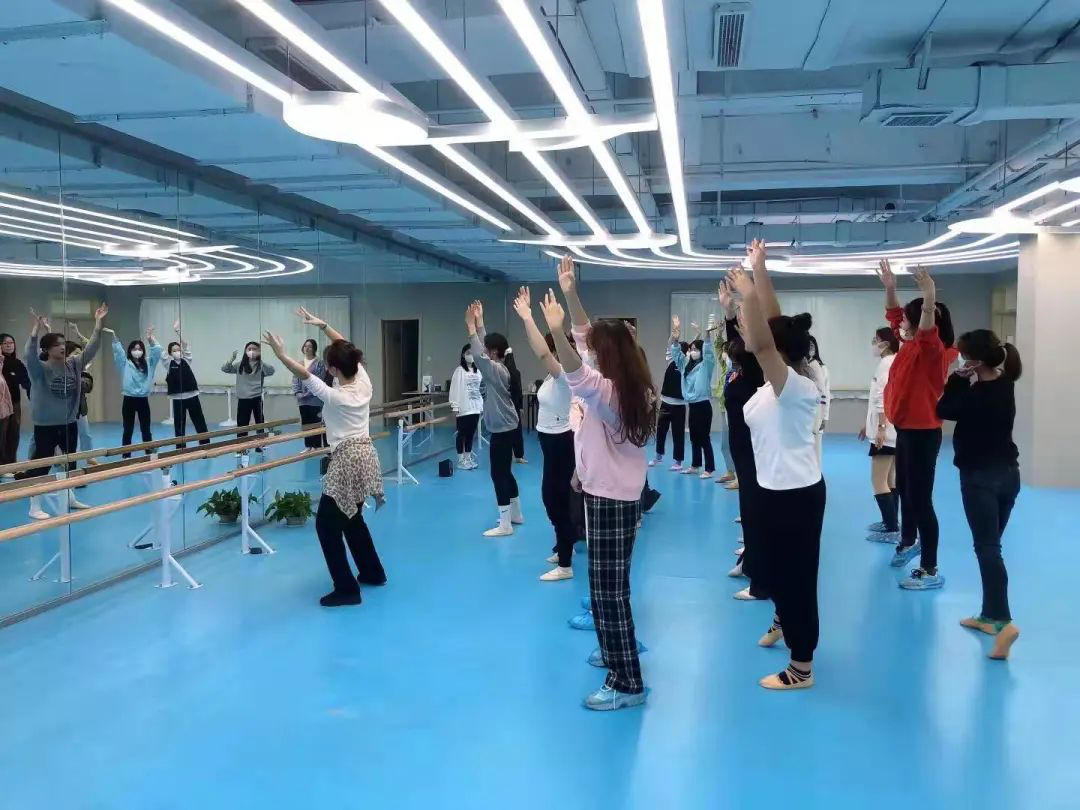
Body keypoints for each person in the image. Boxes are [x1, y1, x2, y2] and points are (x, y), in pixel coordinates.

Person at [544, 255, 656, 711]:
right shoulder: (628, 384)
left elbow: (576, 367)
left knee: (608, 593)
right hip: (612, 495)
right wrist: (571, 293)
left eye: (596, 350)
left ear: (607, 356)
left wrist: (555, 330)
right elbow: (585, 341)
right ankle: (615, 654)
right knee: (610, 586)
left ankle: (627, 681)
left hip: (610, 500)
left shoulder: (610, 393)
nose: (590, 351)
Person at [729, 241, 825, 690]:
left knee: (798, 578)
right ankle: (784, 619)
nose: (746, 335)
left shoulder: (794, 387)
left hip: (796, 494)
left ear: (778, 351)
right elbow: (772, 325)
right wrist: (760, 268)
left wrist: (749, 292)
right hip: (771, 489)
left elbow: (765, 339)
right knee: (773, 570)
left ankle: (801, 667)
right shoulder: (776, 383)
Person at [263, 307, 386, 607]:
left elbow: (305, 375)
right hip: (367, 456)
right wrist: (324, 326)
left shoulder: (336, 395)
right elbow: (344, 346)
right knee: (352, 517)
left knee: (327, 525)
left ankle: (346, 589)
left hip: (347, 459)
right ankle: (372, 572)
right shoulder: (363, 381)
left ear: (332, 369)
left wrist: (281, 354)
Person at [937, 330, 1022, 659]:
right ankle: (989, 615)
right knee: (991, 547)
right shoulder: (1006, 385)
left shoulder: (975, 395)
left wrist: (956, 380)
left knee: (987, 549)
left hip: (980, 479)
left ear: (973, 361)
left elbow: (944, 408)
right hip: (1009, 476)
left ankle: (1003, 622)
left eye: (963, 355)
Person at [877, 259, 957, 589]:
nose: (901, 324)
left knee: (921, 499)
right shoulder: (909, 345)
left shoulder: (933, 351)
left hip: (923, 434)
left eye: (908, 320)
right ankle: (909, 540)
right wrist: (891, 288)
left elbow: (925, 329)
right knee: (907, 490)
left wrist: (929, 295)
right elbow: (894, 315)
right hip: (906, 430)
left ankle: (930, 569)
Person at [512, 286, 576, 582]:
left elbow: (542, 351)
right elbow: (539, 349)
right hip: (549, 442)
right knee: (552, 497)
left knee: (555, 498)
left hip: (562, 441)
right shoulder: (553, 376)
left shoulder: (566, 376)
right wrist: (528, 320)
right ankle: (563, 546)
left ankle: (565, 564)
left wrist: (528, 317)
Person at [21, 304, 107, 519]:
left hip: (68, 422)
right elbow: (28, 355)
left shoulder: (73, 364)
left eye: (62, 343)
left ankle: (69, 497)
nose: (61, 347)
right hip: (45, 425)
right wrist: (35, 332)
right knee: (41, 465)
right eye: (56, 345)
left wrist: (98, 324)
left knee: (70, 462)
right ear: (47, 350)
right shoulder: (40, 369)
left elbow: (92, 349)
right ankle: (34, 505)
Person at [718, 280, 768, 597]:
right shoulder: (740, 366)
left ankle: (759, 578)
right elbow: (736, 340)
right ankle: (749, 559)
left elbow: (750, 344)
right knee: (747, 507)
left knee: (755, 508)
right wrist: (727, 312)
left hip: (754, 448)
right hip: (741, 446)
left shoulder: (756, 369)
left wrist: (748, 300)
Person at [466, 299, 523, 536]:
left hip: (502, 430)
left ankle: (505, 524)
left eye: (488, 349)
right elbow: (484, 349)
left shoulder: (496, 370)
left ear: (495, 352)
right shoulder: (500, 366)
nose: (484, 351)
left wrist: (471, 327)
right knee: (506, 472)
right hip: (507, 427)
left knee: (498, 474)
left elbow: (479, 355)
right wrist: (480, 321)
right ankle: (516, 514)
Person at [861, 328, 899, 542]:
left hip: (886, 431)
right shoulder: (895, 361)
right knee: (890, 478)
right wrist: (869, 425)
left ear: (886, 343)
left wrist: (881, 428)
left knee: (878, 480)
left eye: (876, 340)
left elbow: (882, 397)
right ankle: (891, 522)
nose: (874, 344)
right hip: (892, 430)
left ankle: (892, 528)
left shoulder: (886, 363)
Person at [670, 316, 718, 479]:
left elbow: (709, 352)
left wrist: (707, 336)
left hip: (703, 405)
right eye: (691, 349)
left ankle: (709, 468)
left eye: (696, 349)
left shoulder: (706, 365)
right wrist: (676, 339)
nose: (692, 352)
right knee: (694, 437)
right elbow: (676, 355)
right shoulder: (686, 365)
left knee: (704, 437)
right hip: (692, 405)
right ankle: (695, 465)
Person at [109, 325, 162, 457]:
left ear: (143, 351)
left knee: (146, 429)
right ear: (130, 351)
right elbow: (119, 353)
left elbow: (157, 352)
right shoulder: (125, 363)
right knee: (128, 429)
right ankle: (126, 455)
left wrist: (150, 340)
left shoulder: (149, 363)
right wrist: (115, 338)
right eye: (134, 349)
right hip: (129, 399)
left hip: (143, 400)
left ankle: (149, 452)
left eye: (139, 349)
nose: (137, 351)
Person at [223, 340, 276, 451]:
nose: (252, 351)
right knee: (242, 425)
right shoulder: (239, 365)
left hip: (257, 398)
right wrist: (231, 359)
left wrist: (261, 360)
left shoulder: (261, 365)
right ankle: (241, 447)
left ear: (259, 351)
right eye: (249, 349)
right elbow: (225, 369)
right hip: (243, 398)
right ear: (245, 351)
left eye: (254, 349)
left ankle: (260, 445)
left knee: (259, 423)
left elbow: (271, 371)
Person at [163, 321, 209, 449]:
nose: (177, 352)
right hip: (178, 399)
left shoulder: (187, 360)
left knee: (199, 421)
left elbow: (186, 345)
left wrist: (177, 331)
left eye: (178, 350)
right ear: (170, 353)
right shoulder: (168, 364)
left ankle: (205, 444)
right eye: (174, 350)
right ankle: (180, 447)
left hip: (192, 396)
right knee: (179, 424)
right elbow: (160, 352)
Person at [651, 340, 687, 470]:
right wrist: (674, 337)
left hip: (679, 405)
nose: (675, 352)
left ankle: (678, 461)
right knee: (661, 431)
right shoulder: (670, 360)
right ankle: (658, 456)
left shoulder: (685, 364)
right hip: (665, 402)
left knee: (678, 433)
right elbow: (669, 345)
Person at [449, 343, 483, 470]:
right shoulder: (459, 371)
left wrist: (481, 405)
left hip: (475, 408)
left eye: (472, 353)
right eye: (468, 353)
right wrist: (455, 406)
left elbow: (481, 388)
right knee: (462, 434)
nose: (470, 355)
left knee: (471, 434)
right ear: (463, 355)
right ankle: (460, 459)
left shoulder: (478, 371)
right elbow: (454, 389)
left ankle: (468, 457)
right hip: (464, 408)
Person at [0, 332, 31, 468]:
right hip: (2, 404)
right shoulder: (1, 363)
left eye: (11, 343)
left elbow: (26, 382)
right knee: (2, 433)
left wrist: (33, 395)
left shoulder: (17, 363)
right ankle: (2, 464)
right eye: (5, 343)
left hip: (15, 403)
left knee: (14, 433)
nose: (9, 345)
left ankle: (12, 463)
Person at [293, 337, 329, 452]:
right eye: (305, 346)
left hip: (314, 399)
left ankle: (316, 445)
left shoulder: (319, 363)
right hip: (302, 400)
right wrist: (297, 392)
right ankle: (308, 445)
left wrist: (308, 393)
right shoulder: (299, 363)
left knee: (315, 422)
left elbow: (319, 379)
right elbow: (295, 379)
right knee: (306, 422)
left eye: (310, 346)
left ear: (314, 349)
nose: (307, 348)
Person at [807, 333, 831, 464]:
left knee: (816, 447)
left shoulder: (821, 367)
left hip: (817, 412)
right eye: (808, 346)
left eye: (812, 346)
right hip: (806, 412)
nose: (810, 348)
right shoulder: (803, 366)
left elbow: (825, 393)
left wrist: (824, 416)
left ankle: (817, 472)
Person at [505, 347, 527, 463]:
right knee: (517, 431)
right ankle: (518, 455)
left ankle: (507, 455)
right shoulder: (516, 372)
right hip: (514, 406)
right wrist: (521, 406)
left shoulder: (502, 371)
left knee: (506, 431)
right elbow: (519, 391)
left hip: (505, 405)